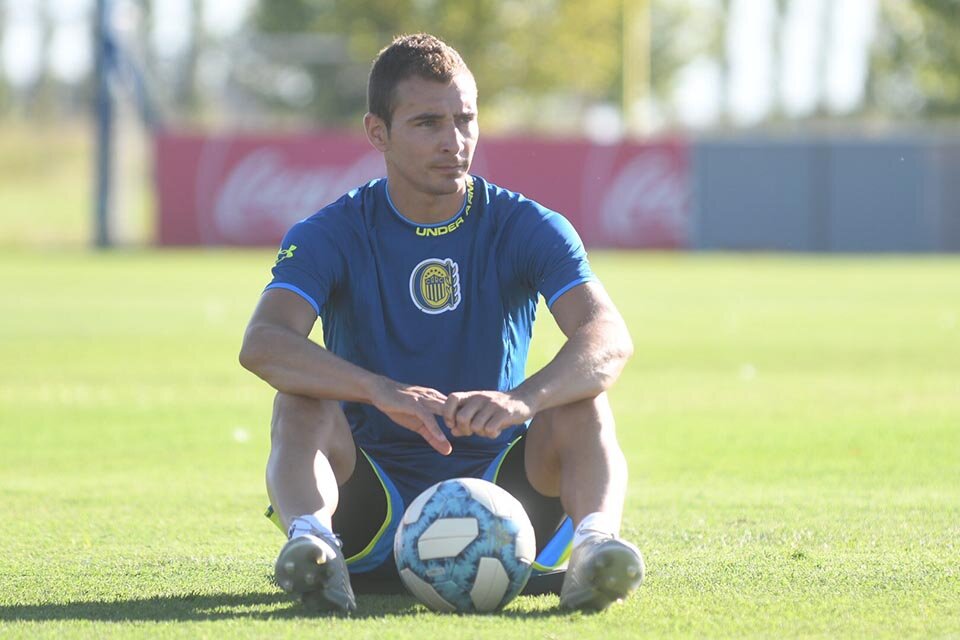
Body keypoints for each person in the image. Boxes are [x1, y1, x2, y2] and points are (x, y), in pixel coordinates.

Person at [238, 33, 643, 614]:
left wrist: (522, 401)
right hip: (367, 499)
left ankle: (594, 549)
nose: (454, 142)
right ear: (378, 132)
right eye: (428, 123)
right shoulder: (331, 231)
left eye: (465, 119)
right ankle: (315, 547)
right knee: (298, 398)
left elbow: (609, 338)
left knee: (582, 400)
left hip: (510, 496)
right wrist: (379, 391)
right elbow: (264, 344)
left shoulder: (527, 224)